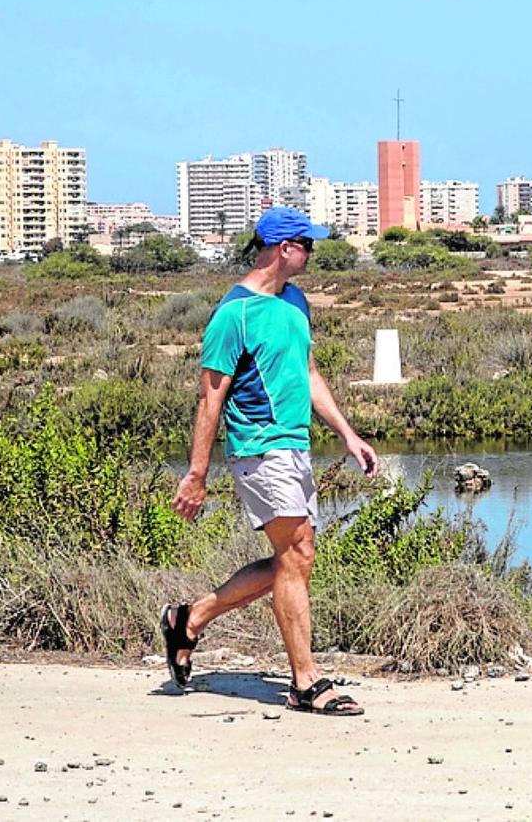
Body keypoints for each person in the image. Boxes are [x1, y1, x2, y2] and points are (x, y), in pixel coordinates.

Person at [161, 206, 378, 716]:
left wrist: (347, 434)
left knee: (294, 558)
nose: (313, 254)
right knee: (296, 554)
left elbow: (308, 372)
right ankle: (305, 682)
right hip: (258, 448)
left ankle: (189, 620)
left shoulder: (294, 301)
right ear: (284, 249)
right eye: (308, 245)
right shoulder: (233, 315)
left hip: (295, 444)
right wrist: (197, 474)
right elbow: (210, 398)